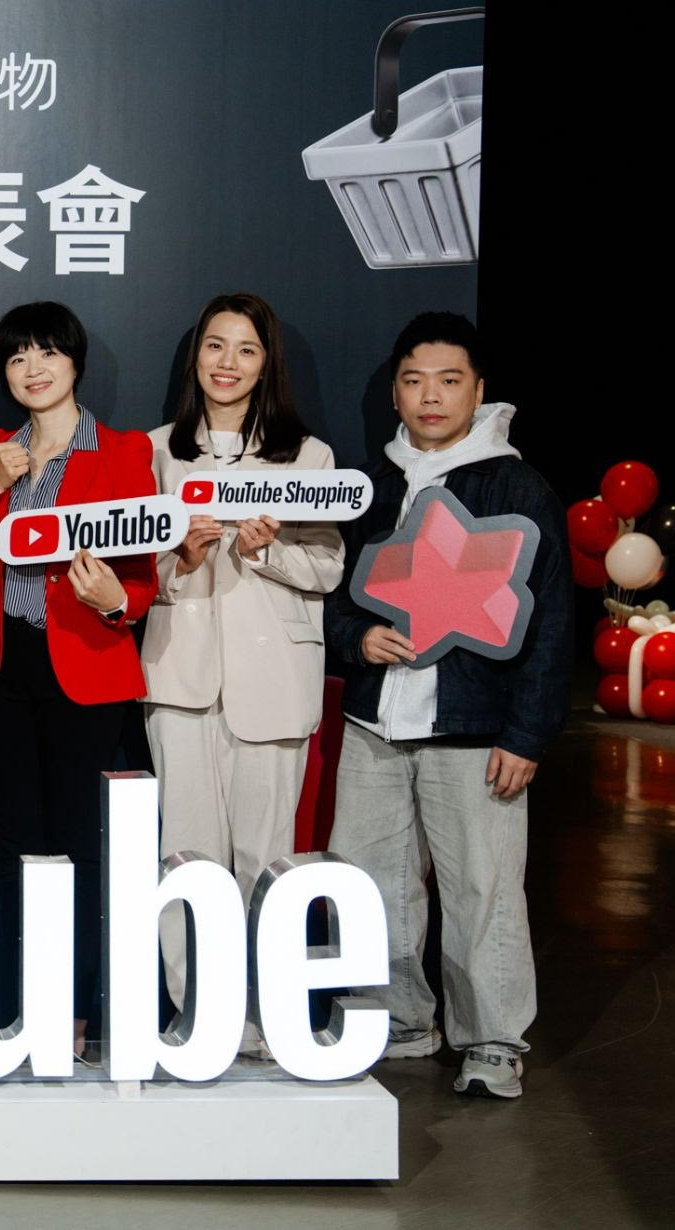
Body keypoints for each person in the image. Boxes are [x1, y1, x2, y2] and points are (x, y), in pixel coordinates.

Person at [324, 312, 569, 1100]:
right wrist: (356, 639)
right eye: (414, 380)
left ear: (479, 389)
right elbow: (332, 593)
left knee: (482, 888)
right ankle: (399, 1021)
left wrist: (526, 734)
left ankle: (492, 1042)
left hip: (474, 726)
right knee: (370, 881)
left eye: (449, 380)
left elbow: (552, 623)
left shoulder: (516, 486)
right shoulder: (373, 485)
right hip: (375, 722)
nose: (430, 396)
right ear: (395, 392)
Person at [140, 294, 345, 1051]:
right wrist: (182, 558)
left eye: (246, 349)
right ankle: (197, 1012)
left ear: (267, 364)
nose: (227, 363)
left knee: (268, 856)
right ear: (195, 356)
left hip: (275, 681)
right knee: (184, 854)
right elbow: (134, 571)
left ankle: (268, 1016)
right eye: (215, 346)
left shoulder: (309, 457)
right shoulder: (154, 452)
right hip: (179, 676)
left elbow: (328, 567)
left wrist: (268, 551)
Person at [0, 301, 158, 1056]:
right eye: (17, 358)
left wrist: (116, 604)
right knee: (19, 842)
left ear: (75, 362)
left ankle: (80, 1011)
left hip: (85, 667)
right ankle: (31, 1006)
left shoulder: (122, 451)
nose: (32, 369)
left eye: (46, 353)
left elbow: (141, 572)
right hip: (5, 665)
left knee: (81, 843)